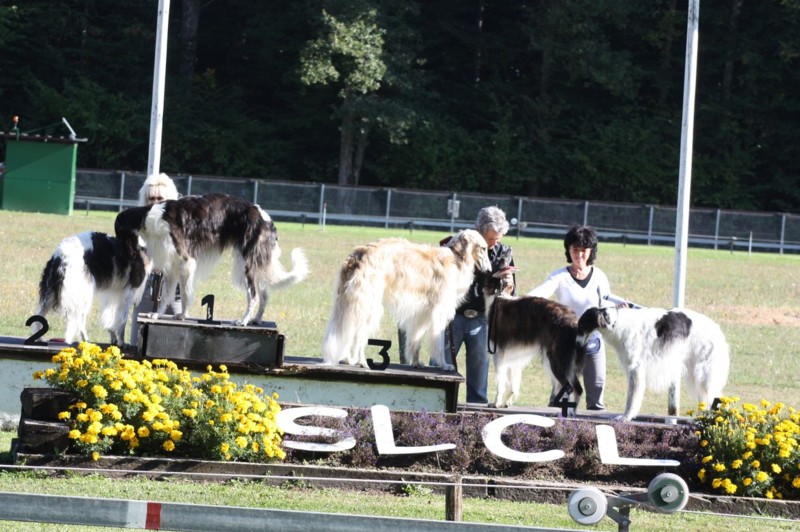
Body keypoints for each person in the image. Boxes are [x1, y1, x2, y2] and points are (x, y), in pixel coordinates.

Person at [526, 224, 627, 411]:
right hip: (564, 342)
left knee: (596, 394)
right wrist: (521, 300)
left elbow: (606, 303)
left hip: (593, 341)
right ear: (568, 250)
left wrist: (618, 307)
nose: (579, 254)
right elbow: (541, 292)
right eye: (575, 249)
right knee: (562, 396)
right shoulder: (560, 276)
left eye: (583, 250)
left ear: (591, 252)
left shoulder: (599, 276)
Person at [447, 206, 516, 404]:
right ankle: (435, 409)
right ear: (478, 230)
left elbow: (511, 294)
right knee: (441, 365)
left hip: (482, 319)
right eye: (490, 238)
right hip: (452, 317)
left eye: (498, 238)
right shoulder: (455, 246)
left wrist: (508, 285)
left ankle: (475, 414)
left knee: (479, 375)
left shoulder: (503, 252)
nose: (494, 243)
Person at [129, 173, 180, 345]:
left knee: (175, 344)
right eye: (151, 198)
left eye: (160, 198)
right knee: (138, 344)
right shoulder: (137, 225)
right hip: (144, 289)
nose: (155, 202)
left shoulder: (180, 225)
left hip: (174, 292)